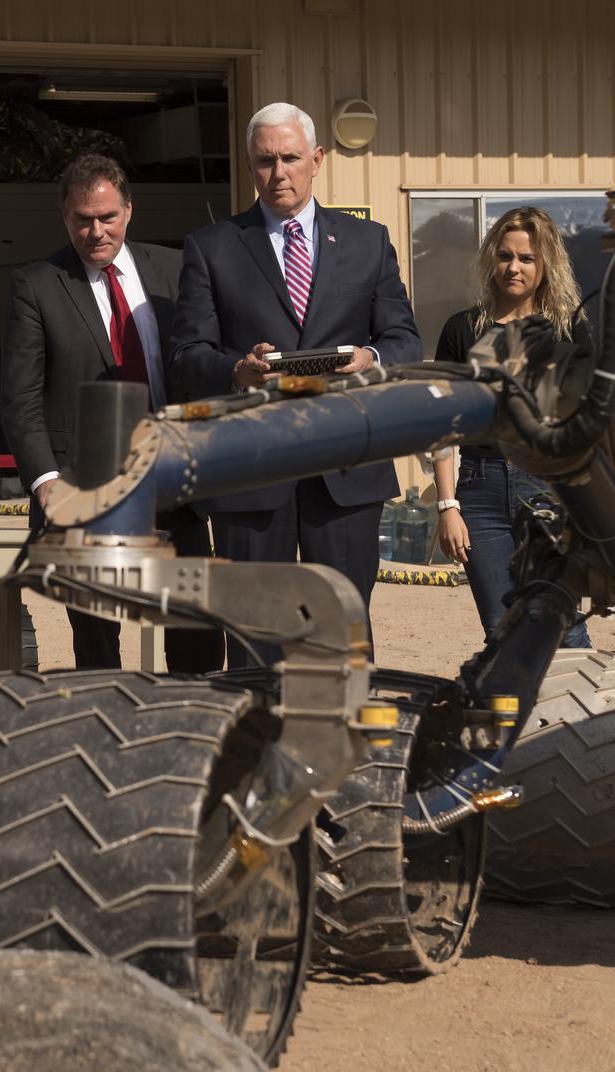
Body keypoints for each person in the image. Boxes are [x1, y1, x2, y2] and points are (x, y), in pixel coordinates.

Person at [171, 102, 422, 668]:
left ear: (317, 160)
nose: (278, 172)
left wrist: (368, 357)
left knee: (340, 635)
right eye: (265, 160)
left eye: (289, 158)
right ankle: (257, 753)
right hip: (251, 473)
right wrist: (236, 369)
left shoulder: (367, 242)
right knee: (255, 639)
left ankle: (344, 752)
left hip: (347, 472)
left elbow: (406, 342)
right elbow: (185, 356)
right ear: (249, 164)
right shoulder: (211, 248)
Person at [1, 153, 223, 674]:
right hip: (85, 492)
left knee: (197, 629)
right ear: (65, 217)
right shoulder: (37, 285)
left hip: (176, 478)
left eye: (107, 217)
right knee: (98, 644)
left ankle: (193, 741)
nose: (96, 231)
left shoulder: (174, 270)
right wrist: (45, 481)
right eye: (83, 219)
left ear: (129, 210)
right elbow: (20, 398)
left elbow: (201, 365)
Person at [433, 206, 592, 647]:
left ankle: (586, 717)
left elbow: (585, 421)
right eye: (505, 256)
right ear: (492, 259)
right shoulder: (463, 330)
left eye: (526, 258)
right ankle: (520, 718)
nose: (513, 268)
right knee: (503, 633)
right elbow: (441, 424)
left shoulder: (568, 329)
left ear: (546, 265)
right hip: (479, 491)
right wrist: (448, 506)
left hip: (547, 488)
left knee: (563, 625)